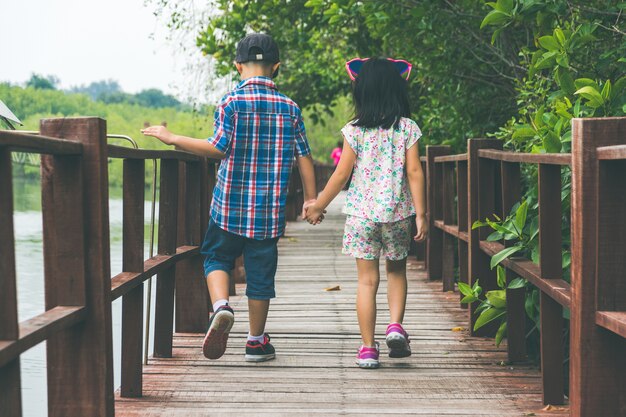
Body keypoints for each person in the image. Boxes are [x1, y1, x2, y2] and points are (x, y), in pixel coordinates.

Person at [142, 33, 317, 363]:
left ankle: (221, 306)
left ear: (238, 66)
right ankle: (255, 342)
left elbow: (217, 148)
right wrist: (311, 200)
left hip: (228, 208)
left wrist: (172, 138)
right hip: (268, 213)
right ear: (276, 67)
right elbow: (304, 157)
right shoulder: (290, 108)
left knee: (216, 258)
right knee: (260, 276)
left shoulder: (230, 103)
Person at [304, 57, 427, 369]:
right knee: (397, 271)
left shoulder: (354, 131)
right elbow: (414, 172)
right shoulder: (407, 129)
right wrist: (422, 214)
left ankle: (368, 348)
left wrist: (318, 205)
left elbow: (341, 175)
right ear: (398, 91)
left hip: (361, 217)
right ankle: (396, 327)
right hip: (397, 214)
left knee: (366, 282)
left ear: (362, 93)